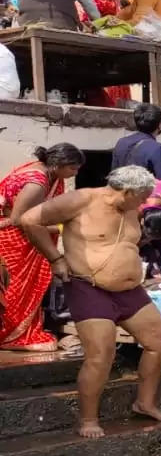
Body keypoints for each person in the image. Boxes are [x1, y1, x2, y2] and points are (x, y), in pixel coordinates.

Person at [17, 166, 161, 437]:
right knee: (101, 354)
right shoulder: (82, 199)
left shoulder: (130, 208)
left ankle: (144, 402)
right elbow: (29, 219)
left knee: (159, 340)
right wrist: (56, 258)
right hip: (88, 286)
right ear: (127, 192)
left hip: (129, 290)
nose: (145, 202)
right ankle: (88, 420)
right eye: (142, 196)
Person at [1, 144, 84, 350]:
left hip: (17, 234)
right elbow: (20, 220)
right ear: (58, 165)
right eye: (72, 168)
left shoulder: (41, 169)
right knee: (16, 288)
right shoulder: (36, 183)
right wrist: (61, 228)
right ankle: (12, 335)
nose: (75, 173)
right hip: (14, 240)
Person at [112, 103, 161, 183]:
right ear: (159, 125)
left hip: (121, 193)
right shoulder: (159, 149)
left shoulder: (121, 142)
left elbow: (113, 177)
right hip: (143, 194)